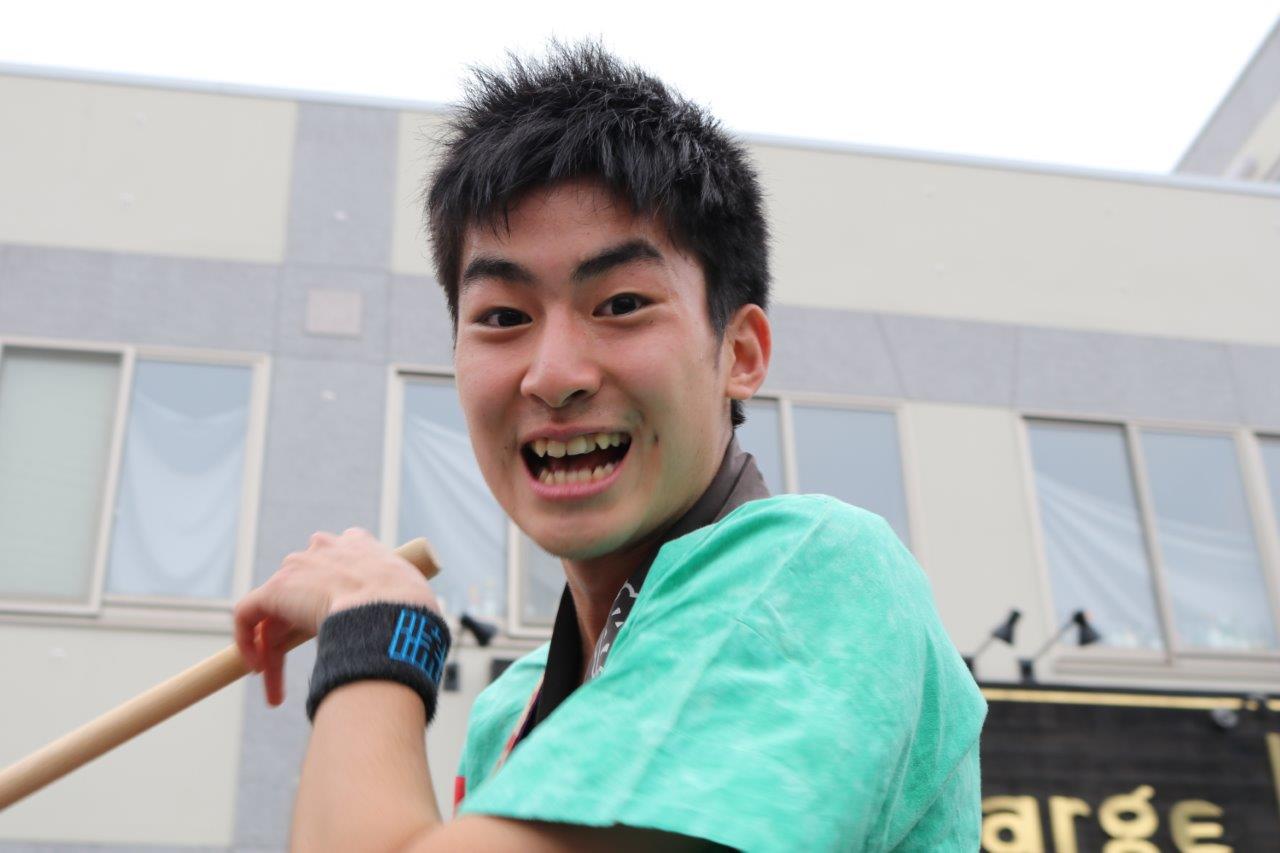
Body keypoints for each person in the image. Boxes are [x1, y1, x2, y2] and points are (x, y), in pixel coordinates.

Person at [233, 41, 986, 852]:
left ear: (740, 353)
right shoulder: (511, 710)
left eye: (621, 303)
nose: (553, 375)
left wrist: (377, 626)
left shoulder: (815, 573)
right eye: (502, 316)